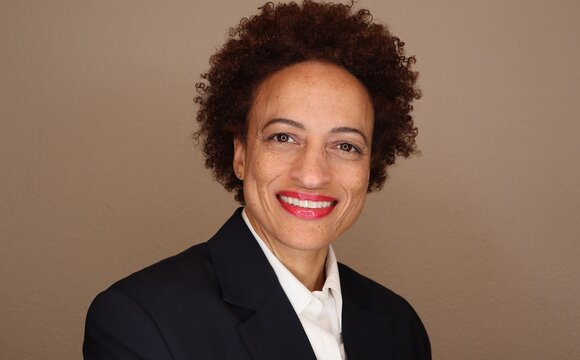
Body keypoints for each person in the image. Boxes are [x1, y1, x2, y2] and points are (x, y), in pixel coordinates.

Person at [83, 1, 430, 359]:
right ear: (241, 155)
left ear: (371, 164)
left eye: (345, 145)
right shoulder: (140, 319)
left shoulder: (399, 326)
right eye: (283, 137)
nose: (312, 174)